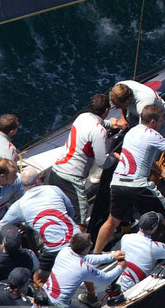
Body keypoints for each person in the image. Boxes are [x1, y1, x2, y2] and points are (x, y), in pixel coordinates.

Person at [99, 104, 165, 251]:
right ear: (152, 122)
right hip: (138, 185)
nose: (162, 123)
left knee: (112, 221)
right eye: (160, 121)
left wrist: (160, 170)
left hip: (117, 183)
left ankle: (94, 254)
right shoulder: (152, 135)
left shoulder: (132, 132)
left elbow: (141, 158)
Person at [47, 95, 114, 227]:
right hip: (71, 180)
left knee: (62, 213)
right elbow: (102, 162)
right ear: (106, 110)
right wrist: (114, 157)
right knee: (80, 221)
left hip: (55, 173)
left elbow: (98, 123)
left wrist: (112, 124)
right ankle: (77, 247)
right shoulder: (99, 131)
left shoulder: (83, 117)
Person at [43, 233, 125, 308]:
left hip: (44, 294)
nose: (91, 244)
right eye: (90, 244)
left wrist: (112, 256)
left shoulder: (65, 251)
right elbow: (107, 278)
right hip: (56, 307)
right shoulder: (83, 268)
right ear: (84, 250)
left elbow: (87, 258)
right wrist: (120, 267)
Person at [117, 212, 165, 292]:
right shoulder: (153, 247)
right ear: (154, 228)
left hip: (121, 285)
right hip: (135, 289)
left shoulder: (125, 238)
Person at [0, 180, 77, 258]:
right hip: (75, 238)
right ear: (38, 181)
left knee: (41, 270)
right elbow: (71, 211)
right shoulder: (53, 190)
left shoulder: (20, 204)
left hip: (55, 248)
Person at [0, 227, 40, 291]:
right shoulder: (30, 254)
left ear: (4, 244)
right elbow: (37, 270)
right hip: (23, 291)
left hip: (0, 293)